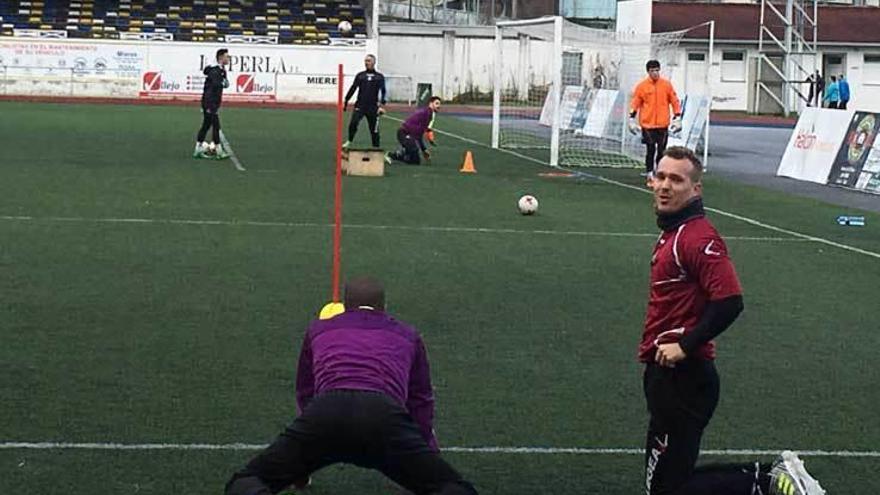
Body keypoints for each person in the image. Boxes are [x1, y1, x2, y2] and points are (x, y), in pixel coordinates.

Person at [641, 146, 825, 495]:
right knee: (665, 483)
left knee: (669, 490)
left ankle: (767, 482)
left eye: (676, 179)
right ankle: (767, 477)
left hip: (686, 377)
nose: (664, 185)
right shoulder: (674, 232)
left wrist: (684, 345)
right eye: (660, 176)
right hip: (665, 373)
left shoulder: (696, 237)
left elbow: (729, 301)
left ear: (695, 189)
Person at [225, 277, 477, 495]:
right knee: (453, 487)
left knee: (245, 482)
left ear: (344, 306)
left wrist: (299, 464)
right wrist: (423, 454)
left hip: (326, 412)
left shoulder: (318, 330)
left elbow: (306, 392)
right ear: (384, 308)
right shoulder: (408, 334)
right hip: (383, 416)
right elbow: (420, 401)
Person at [629, 60, 682, 180]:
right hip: (647, 124)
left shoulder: (666, 85)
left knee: (662, 150)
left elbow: (674, 100)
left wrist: (677, 116)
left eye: (657, 70)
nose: (655, 73)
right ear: (648, 72)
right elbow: (635, 103)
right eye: (652, 71)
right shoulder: (642, 86)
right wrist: (631, 119)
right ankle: (649, 172)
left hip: (663, 123)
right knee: (651, 148)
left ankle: (660, 172)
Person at [343, 54, 387, 149]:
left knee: (374, 129)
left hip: (372, 107)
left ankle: (376, 148)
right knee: (353, 123)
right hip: (360, 105)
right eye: (366, 61)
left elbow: (383, 91)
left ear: (374, 62)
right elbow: (353, 88)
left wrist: (381, 105)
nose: (366, 63)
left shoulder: (379, 77)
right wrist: (346, 99)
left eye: (369, 61)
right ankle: (349, 141)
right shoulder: (360, 76)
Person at [194, 48, 230, 158]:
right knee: (215, 126)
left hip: (212, 102)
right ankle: (218, 150)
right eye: (226, 56)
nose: (228, 59)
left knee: (206, 125)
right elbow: (213, 88)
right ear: (221, 58)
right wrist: (210, 105)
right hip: (210, 103)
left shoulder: (221, 70)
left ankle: (198, 148)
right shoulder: (215, 71)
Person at [386, 96, 440, 166]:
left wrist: (423, 149)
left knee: (415, 161)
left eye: (439, 104)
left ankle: (405, 154)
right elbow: (418, 133)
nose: (439, 106)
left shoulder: (428, 113)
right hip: (404, 133)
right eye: (436, 103)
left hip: (408, 134)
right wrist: (423, 149)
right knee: (413, 148)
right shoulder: (426, 113)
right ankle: (392, 155)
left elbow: (419, 133)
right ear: (431, 103)